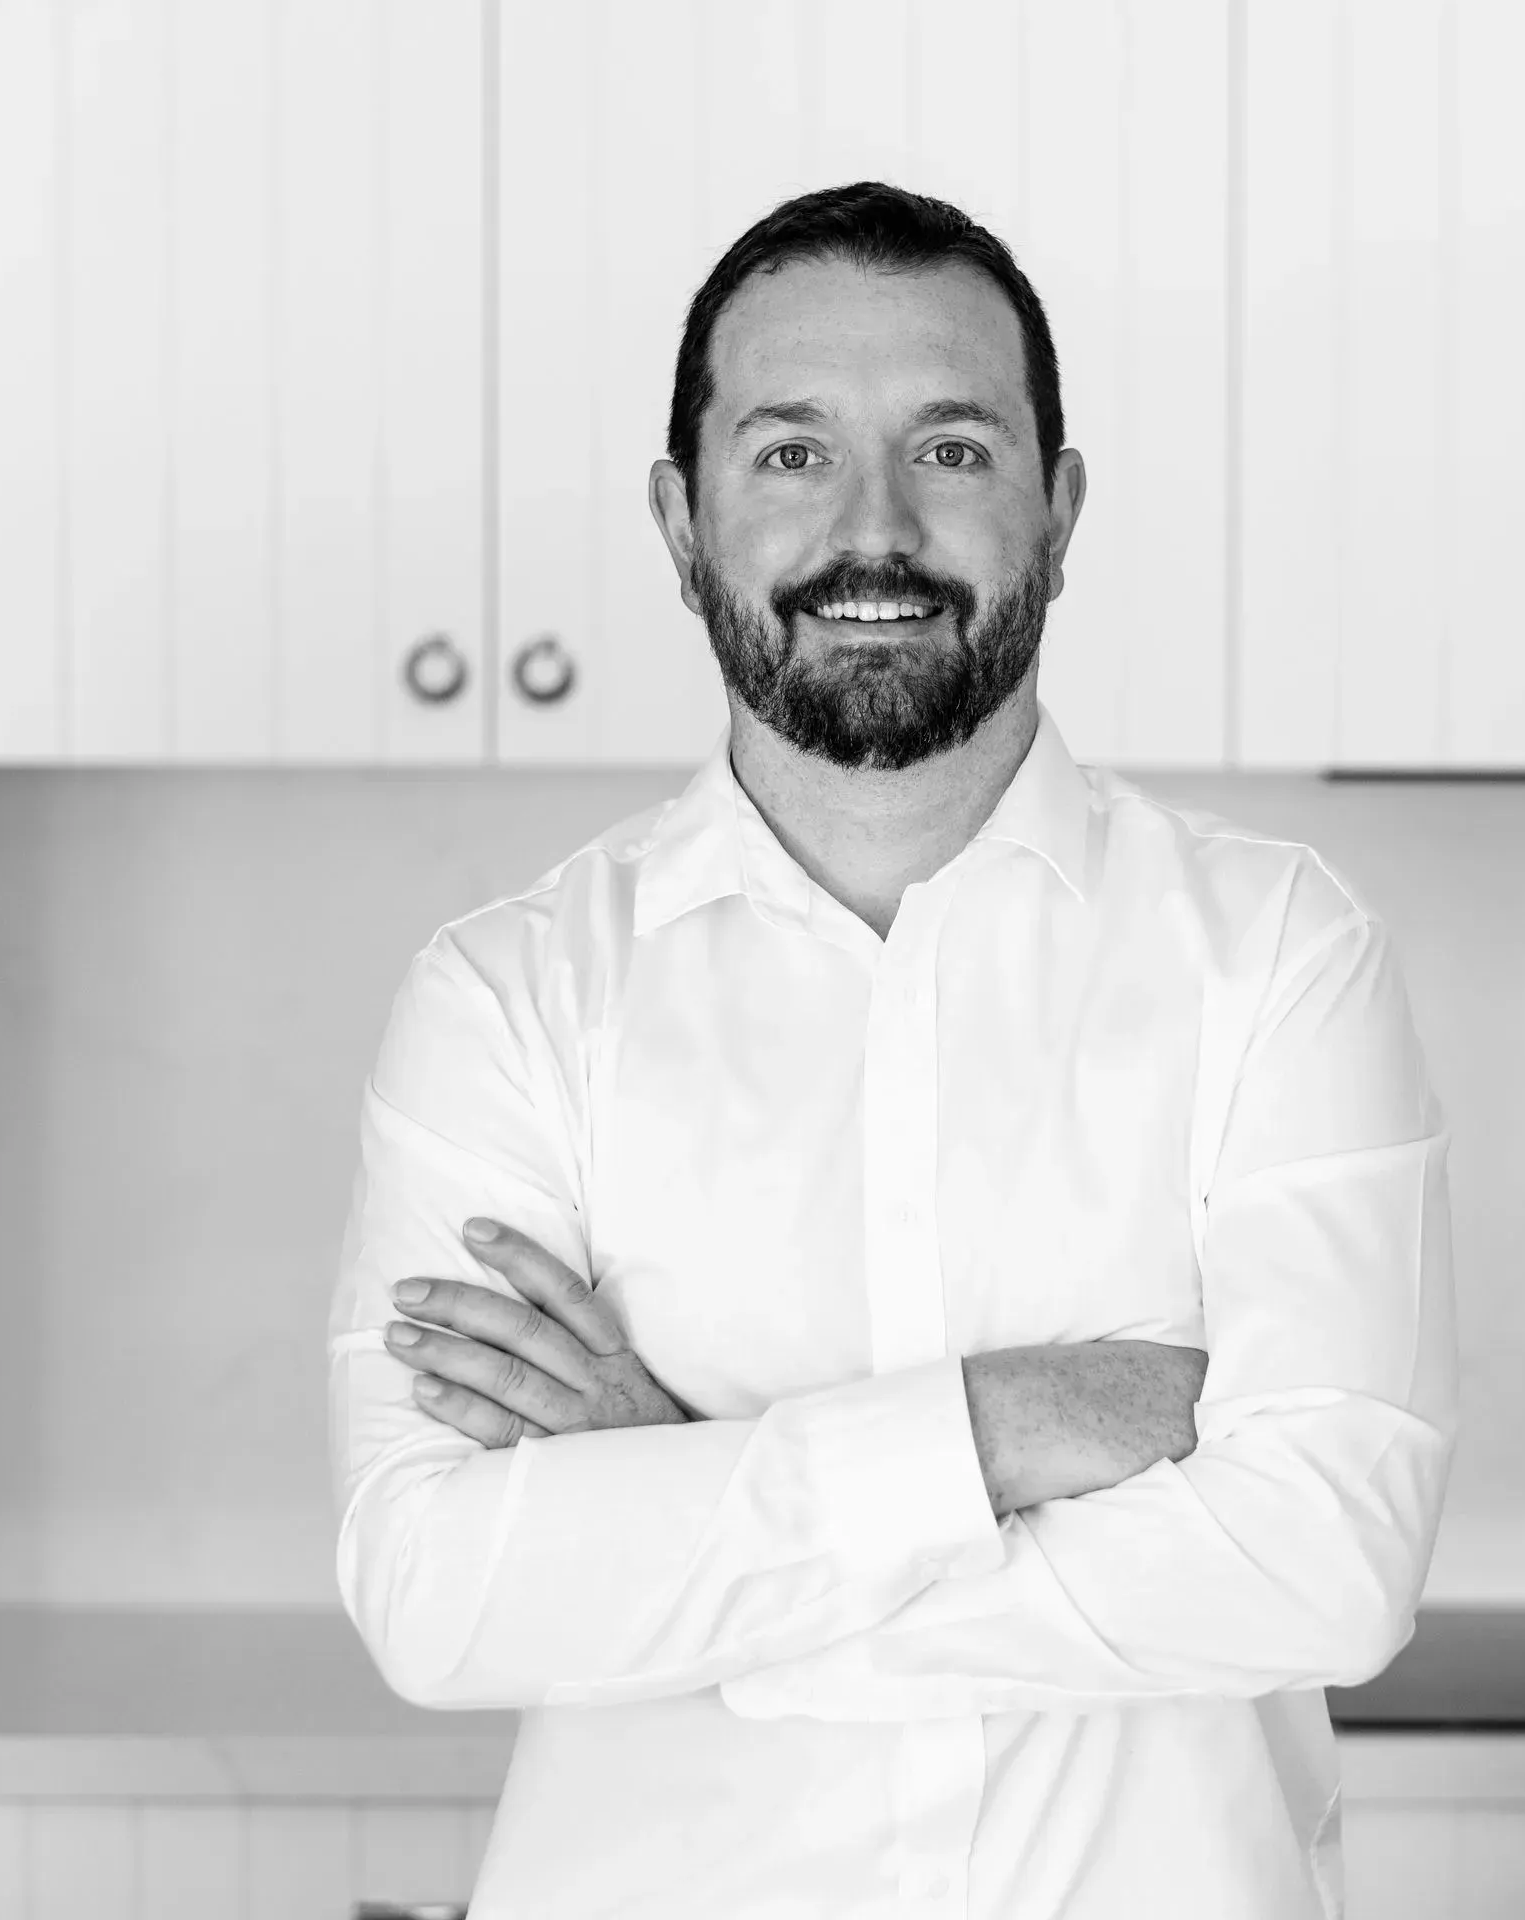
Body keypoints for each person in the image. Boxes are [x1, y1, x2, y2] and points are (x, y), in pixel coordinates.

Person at [327, 180, 1458, 1919]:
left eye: (949, 450)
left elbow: (1327, 1565)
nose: (875, 531)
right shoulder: (510, 999)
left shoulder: (1278, 956)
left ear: (1059, 510)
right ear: (679, 519)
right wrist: (1010, 1426)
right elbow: (436, 1595)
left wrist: (680, 1481)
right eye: (789, 454)